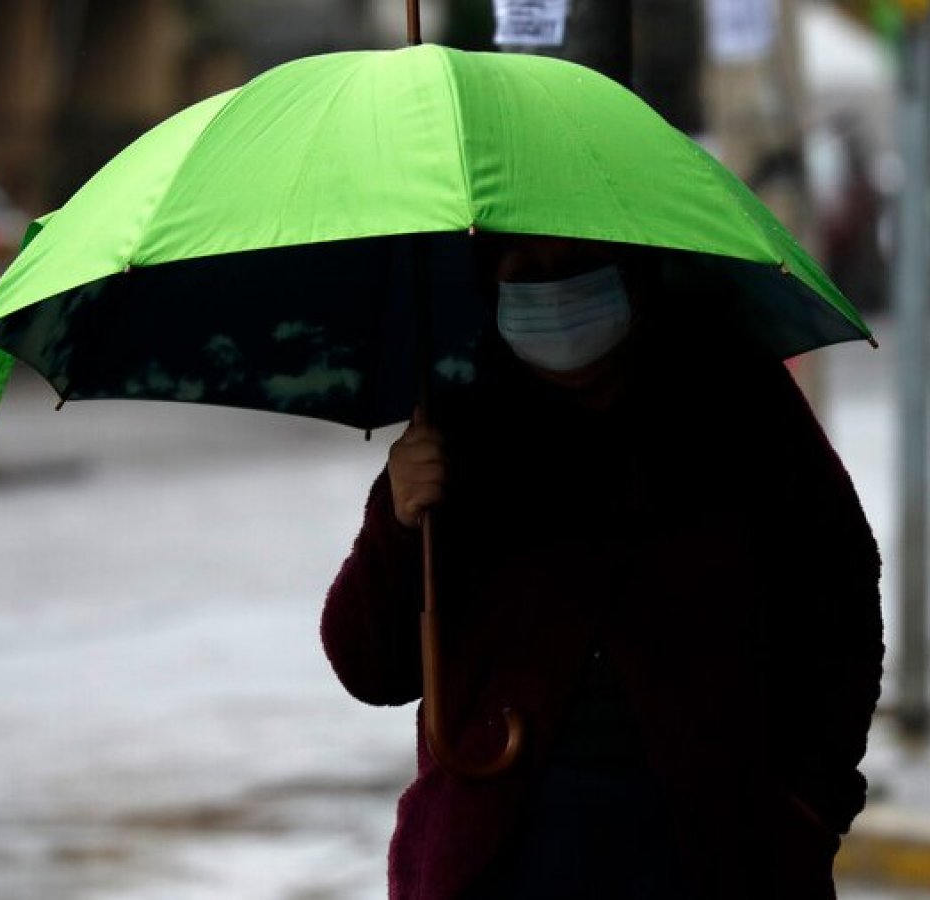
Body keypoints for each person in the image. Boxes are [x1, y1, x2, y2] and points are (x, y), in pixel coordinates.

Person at [319, 234, 884, 899]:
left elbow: (841, 605)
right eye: (526, 271)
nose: (555, 291)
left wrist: (809, 808)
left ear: (633, 273)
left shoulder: (737, 400)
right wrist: (398, 518)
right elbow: (368, 664)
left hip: (713, 855)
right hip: (501, 857)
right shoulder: (460, 422)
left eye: (578, 266)